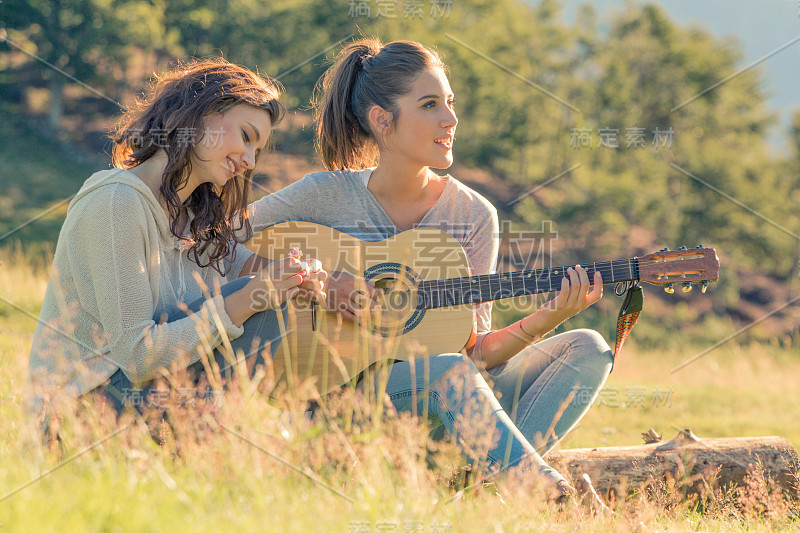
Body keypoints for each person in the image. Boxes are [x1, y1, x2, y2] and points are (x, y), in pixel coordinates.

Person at [246, 39, 614, 498]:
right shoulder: (323, 194)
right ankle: (550, 498)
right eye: (429, 104)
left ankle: (474, 482)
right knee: (448, 373)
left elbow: (475, 354)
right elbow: (221, 243)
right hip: (338, 401)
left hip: (445, 396)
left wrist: (548, 318)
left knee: (587, 347)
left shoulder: (472, 215)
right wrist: (318, 279)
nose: (451, 118)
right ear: (382, 120)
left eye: (450, 102)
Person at [26, 58, 326, 424]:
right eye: (246, 136)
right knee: (257, 300)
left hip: (140, 399)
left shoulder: (193, 215)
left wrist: (299, 278)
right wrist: (248, 298)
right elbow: (137, 356)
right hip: (78, 411)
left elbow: (243, 263)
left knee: (273, 301)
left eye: (256, 151)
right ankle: (205, 444)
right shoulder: (116, 202)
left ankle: (307, 422)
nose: (249, 160)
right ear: (199, 116)